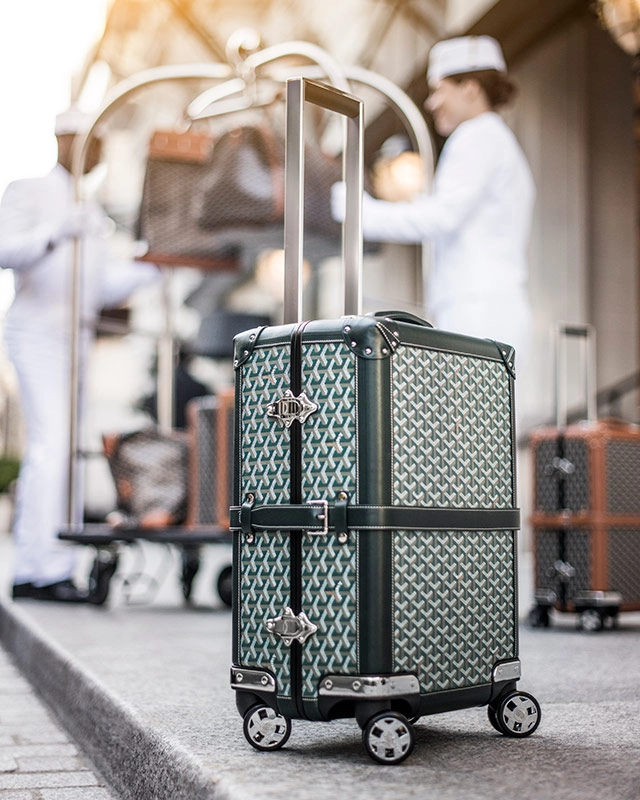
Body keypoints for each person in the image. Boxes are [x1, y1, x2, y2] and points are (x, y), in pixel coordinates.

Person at [0, 107, 159, 602]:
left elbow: (99, 284)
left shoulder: (89, 209)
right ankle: (36, 569)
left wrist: (154, 267)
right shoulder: (28, 190)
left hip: (76, 338)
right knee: (51, 447)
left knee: (67, 450)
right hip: (37, 334)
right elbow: (5, 251)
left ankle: (58, 565)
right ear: (64, 141)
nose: (99, 155)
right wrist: (54, 232)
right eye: (92, 144)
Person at [332, 35, 535, 365]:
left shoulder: (476, 136)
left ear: (470, 88)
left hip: (477, 307)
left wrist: (359, 212)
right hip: (485, 305)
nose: (431, 103)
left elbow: (440, 218)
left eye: (439, 89)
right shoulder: (494, 138)